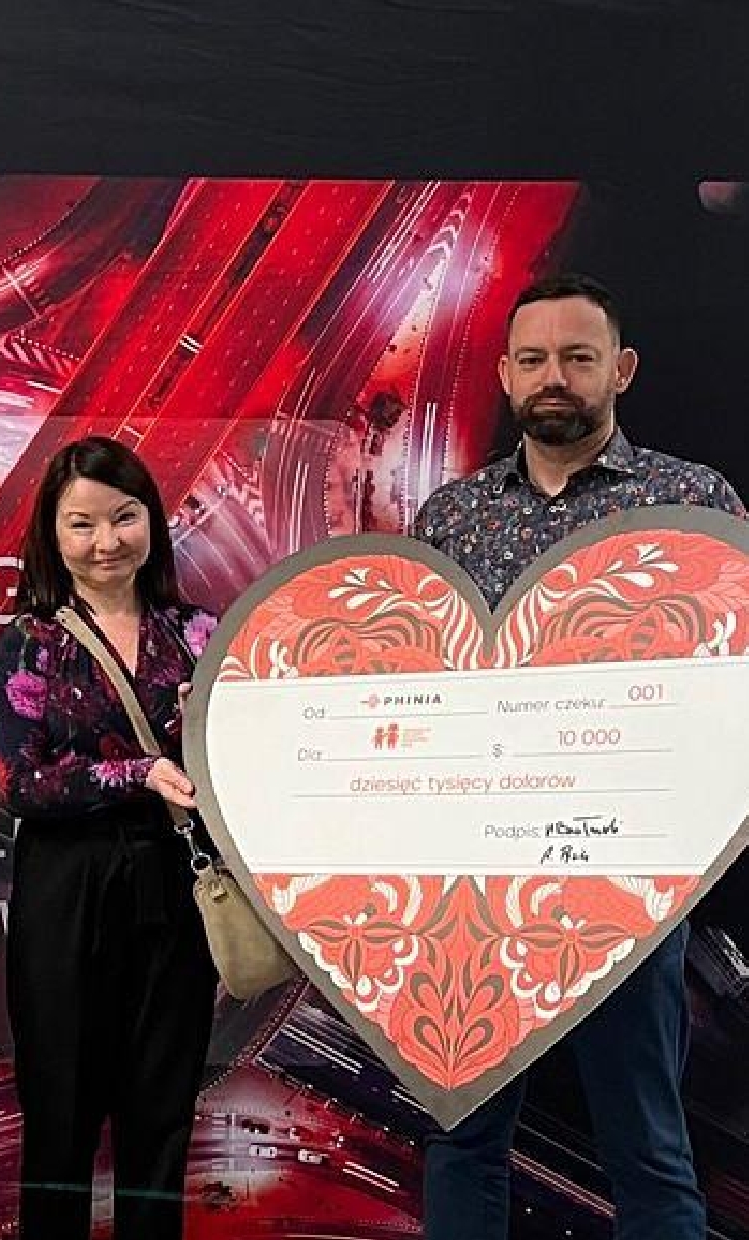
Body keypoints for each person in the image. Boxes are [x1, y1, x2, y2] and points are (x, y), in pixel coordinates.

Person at [413, 274, 741, 1240]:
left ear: (621, 370)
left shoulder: (691, 500)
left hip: (627, 885)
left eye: (577, 357)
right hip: (473, 889)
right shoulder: (451, 515)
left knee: (647, 1144)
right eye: (533, 359)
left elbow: (732, 685)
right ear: (507, 374)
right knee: (463, 1139)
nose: (553, 377)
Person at [0, 435, 220, 1239]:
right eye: (82, 524)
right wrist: (138, 773)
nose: (106, 541)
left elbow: (230, 767)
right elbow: (18, 782)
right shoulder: (32, 639)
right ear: (53, 534)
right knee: (61, 1115)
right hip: (66, 894)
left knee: (162, 1116)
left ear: (151, 520)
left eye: (124, 517)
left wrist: (203, 739)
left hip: (174, 890)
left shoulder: (198, 632)